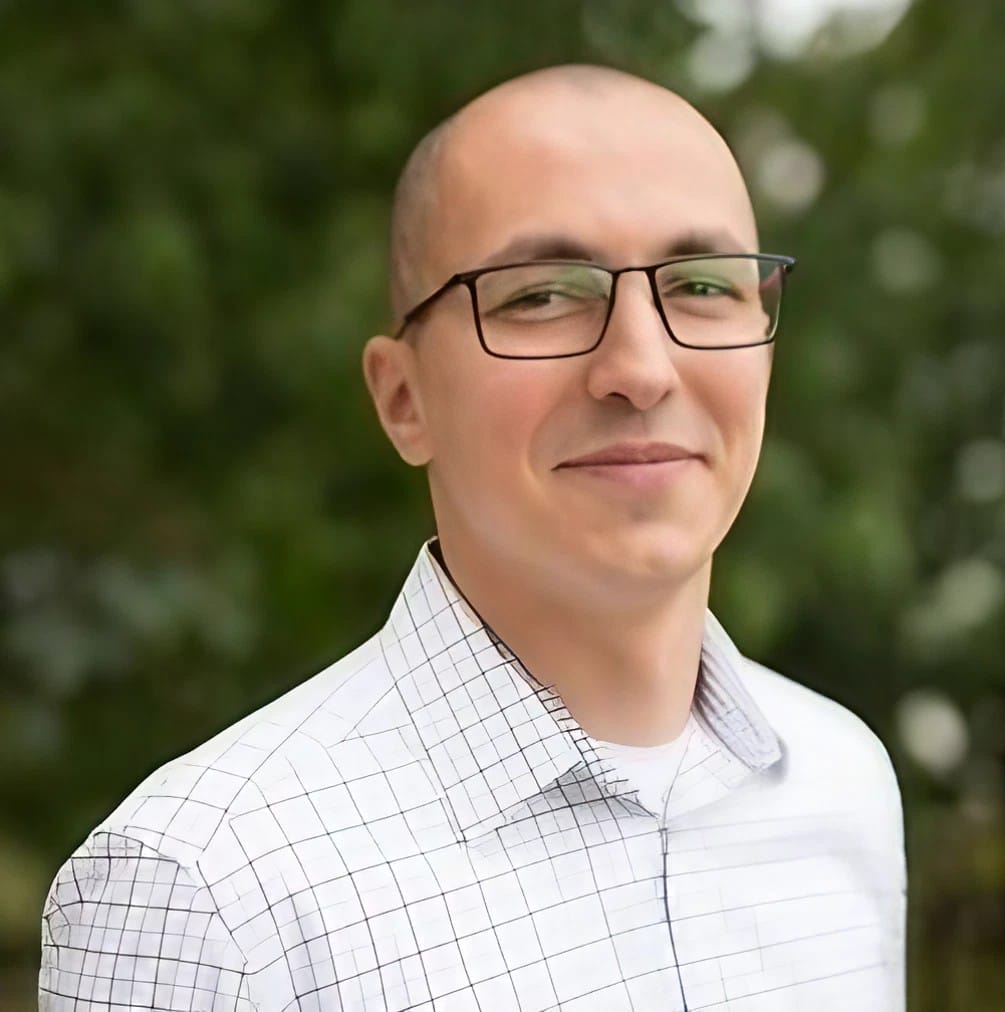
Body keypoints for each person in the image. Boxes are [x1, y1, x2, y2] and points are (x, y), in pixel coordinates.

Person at [39, 65, 906, 1011]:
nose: (641, 369)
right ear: (403, 401)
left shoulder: (841, 782)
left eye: (702, 285)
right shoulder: (206, 891)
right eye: (540, 296)